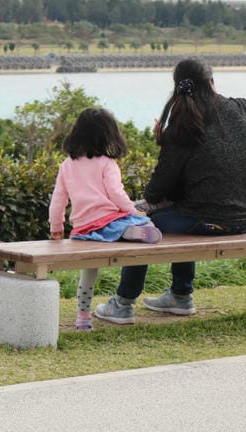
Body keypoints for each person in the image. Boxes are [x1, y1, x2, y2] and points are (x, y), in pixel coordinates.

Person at [94, 58, 246, 325]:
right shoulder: (238, 108)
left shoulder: (181, 127)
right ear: (211, 82)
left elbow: (155, 192)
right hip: (243, 220)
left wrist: (163, 141)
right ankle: (179, 295)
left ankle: (123, 303)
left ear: (178, 88)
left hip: (205, 220)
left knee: (137, 221)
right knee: (181, 209)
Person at [49, 107, 162, 331]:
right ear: (108, 135)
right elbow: (117, 194)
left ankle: (83, 318)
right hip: (110, 220)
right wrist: (133, 211)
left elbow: (58, 199)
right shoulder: (107, 164)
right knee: (140, 222)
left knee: (89, 272)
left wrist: (56, 227)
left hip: (83, 228)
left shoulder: (67, 165)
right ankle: (133, 232)